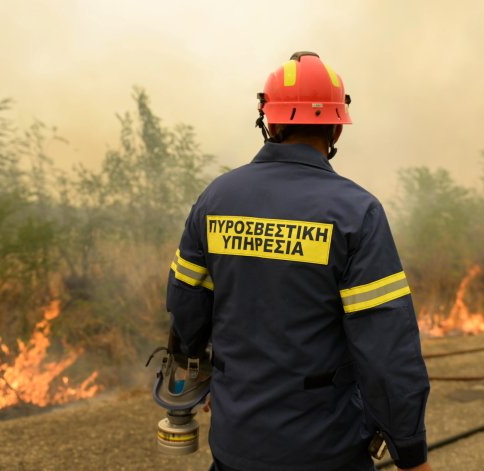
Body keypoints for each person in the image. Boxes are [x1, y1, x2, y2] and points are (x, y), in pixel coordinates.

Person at [166, 52, 431, 471]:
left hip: (236, 444)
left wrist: (204, 372)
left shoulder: (216, 199)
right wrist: (410, 451)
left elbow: (186, 310)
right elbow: (386, 350)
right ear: (336, 126)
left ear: (268, 122)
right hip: (327, 451)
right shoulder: (356, 212)